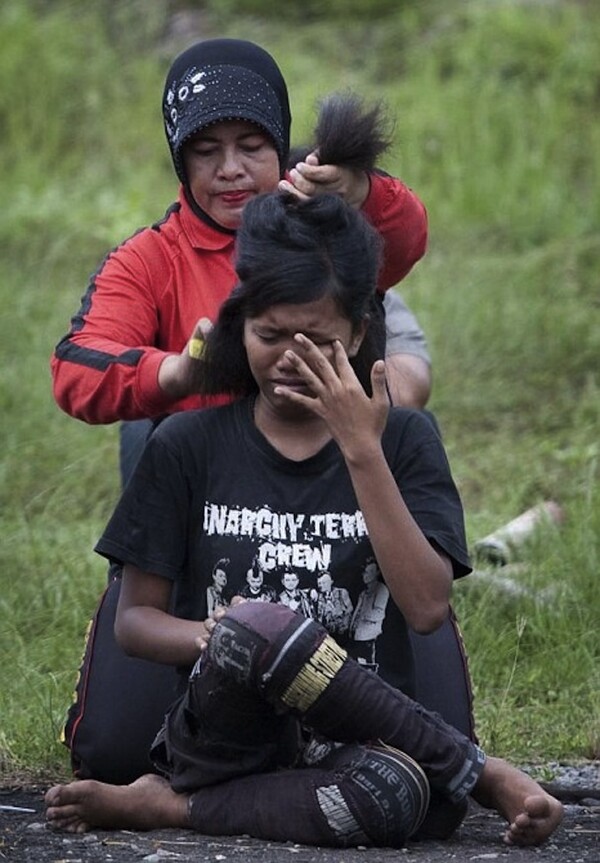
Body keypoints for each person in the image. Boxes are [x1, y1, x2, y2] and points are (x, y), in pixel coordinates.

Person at [46, 193, 562, 848]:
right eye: (269, 336)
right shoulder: (185, 444)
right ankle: (476, 769)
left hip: (359, 747)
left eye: (317, 342)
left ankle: (169, 807)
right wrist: (228, 638)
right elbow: (135, 621)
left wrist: (361, 449)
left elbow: (427, 604)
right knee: (256, 624)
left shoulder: (402, 441)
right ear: (240, 325)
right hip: (224, 740)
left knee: (403, 796)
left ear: (357, 332)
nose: (290, 359)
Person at [54, 37, 469, 786]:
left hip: (339, 490)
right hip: (204, 496)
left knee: (428, 765)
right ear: (180, 163)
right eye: (206, 152)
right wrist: (173, 372)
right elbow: (77, 367)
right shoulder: (150, 259)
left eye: (251, 145)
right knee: (114, 755)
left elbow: (403, 234)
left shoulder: (326, 217)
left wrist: (359, 190)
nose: (231, 169)